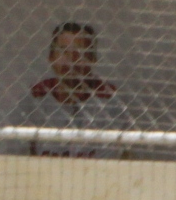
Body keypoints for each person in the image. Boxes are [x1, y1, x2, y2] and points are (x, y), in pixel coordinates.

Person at [17, 20, 125, 157]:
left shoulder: (107, 98)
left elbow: (116, 158)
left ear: (93, 59)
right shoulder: (36, 96)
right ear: (51, 57)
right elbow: (16, 153)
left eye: (80, 52)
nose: (72, 59)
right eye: (63, 51)